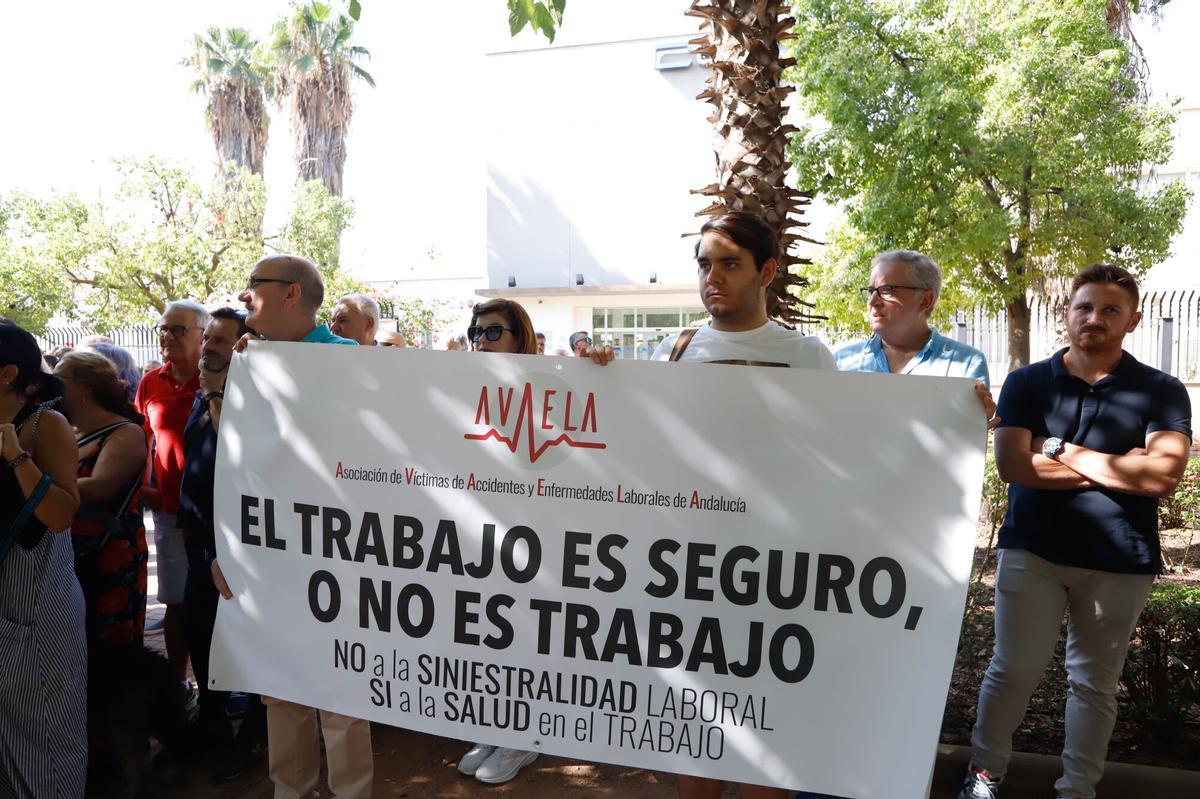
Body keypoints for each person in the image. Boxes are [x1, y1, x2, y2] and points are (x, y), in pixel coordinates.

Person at [588, 211, 834, 799]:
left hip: (775, 578)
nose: (712, 277)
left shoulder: (808, 356)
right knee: (696, 736)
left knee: (767, 743)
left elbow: (856, 446)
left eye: (729, 264)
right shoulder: (672, 350)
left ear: (766, 272)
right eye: (704, 265)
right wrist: (594, 377)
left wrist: (959, 413)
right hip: (689, 576)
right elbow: (630, 440)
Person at [958, 264, 1191, 799]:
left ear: (1133, 320)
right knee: (1013, 670)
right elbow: (1014, 467)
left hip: (1121, 559)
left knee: (1094, 683)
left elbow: (1162, 477)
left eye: (1110, 310)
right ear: (1067, 313)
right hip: (1033, 550)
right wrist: (1122, 467)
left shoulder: (1161, 390)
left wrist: (1059, 449)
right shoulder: (1027, 383)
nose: (1095, 318)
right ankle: (984, 774)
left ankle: (1077, 790)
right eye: (1084, 307)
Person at [213, 255, 374, 799]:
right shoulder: (249, 361)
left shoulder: (351, 362)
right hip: (270, 560)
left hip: (339, 558)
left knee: (341, 696)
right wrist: (226, 549)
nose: (244, 294)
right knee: (280, 693)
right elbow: (236, 468)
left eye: (254, 284)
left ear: (290, 293)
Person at [178, 307, 268, 776]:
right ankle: (212, 721)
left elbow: (236, 451)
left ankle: (253, 733)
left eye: (219, 340)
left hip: (238, 540)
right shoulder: (203, 391)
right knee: (200, 629)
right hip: (200, 537)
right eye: (207, 338)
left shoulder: (251, 395)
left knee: (244, 635)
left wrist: (215, 394)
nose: (208, 347)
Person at [454, 297, 540, 785]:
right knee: (490, 633)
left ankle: (523, 738)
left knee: (523, 630)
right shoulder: (465, 386)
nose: (481, 341)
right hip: (480, 529)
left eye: (492, 332)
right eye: (476, 332)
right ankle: (495, 727)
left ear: (518, 337)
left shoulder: (551, 386)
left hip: (531, 532)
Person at [0, 319, 87, 798]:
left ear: (8, 373)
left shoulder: (43, 424)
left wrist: (17, 457)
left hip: (35, 600)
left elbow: (61, 515)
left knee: (45, 732)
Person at [136, 300, 208, 694]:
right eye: (163, 328)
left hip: (213, 514)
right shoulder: (151, 382)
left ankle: (218, 690)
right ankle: (179, 687)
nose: (167, 336)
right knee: (176, 603)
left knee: (215, 601)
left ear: (202, 335)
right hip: (168, 513)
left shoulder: (220, 380)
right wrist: (144, 488)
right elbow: (141, 440)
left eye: (178, 329)